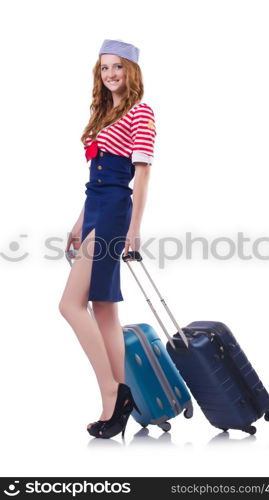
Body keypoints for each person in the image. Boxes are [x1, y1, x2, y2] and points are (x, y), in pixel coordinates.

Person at [58, 39, 156, 439]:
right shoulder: (103, 113)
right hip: (96, 208)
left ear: (131, 70)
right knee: (103, 310)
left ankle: (113, 393)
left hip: (116, 211)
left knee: (69, 305)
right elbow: (93, 182)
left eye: (118, 67)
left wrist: (134, 228)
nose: (111, 75)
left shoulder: (140, 113)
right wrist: (79, 221)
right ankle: (116, 405)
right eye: (104, 68)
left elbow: (142, 176)